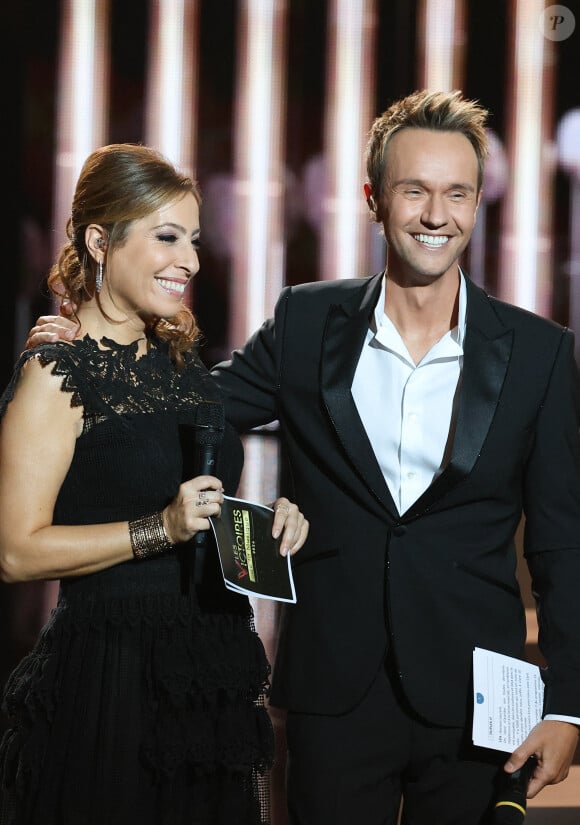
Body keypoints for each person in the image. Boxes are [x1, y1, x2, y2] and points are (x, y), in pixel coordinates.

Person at [23, 89, 580, 824]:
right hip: (331, 694)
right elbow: (195, 408)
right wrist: (87, 355)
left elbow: (561, 543)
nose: (436, 215)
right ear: (374, 199)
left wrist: (568, 706)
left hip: (477, 705)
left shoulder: (539, 352)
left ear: (478, 203)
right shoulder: (307, 318)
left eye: (457, 193)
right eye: (414, 190)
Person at [0, 143, 308, 825]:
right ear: (100, 240)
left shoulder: (182, 363)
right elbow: (16, 550)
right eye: (167, 236)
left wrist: (266, 523)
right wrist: (157, 529)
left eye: (194, 240)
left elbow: (194, 505)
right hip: (113, 676)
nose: (192, 261)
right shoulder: (58, 369)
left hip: (206, 672)